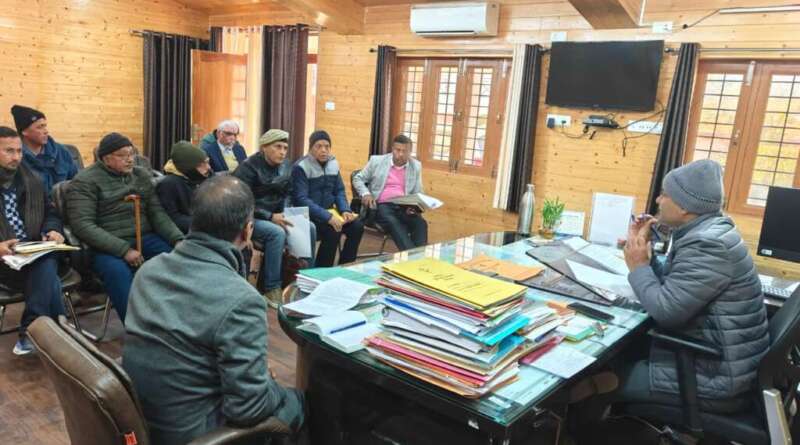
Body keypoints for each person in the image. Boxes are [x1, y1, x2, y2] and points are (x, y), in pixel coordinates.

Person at [123, 175, 305, 445]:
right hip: (195, 434)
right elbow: (249, 409)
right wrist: (270, 387)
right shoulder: (242, 300)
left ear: (193, 220)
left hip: (145, 422)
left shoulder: (148, 271)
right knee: (299, 402)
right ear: (248, 231)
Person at [613, 159, 770, 412]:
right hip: (723, 364)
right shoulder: (708, 231)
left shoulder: (707, 244)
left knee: (599, 373)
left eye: (664, 194)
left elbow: (666, 311)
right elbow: (675, 288)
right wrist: (647, 258)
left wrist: (638, 266)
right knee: (621, 352)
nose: (657, 200)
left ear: (685, 206)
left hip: (715, 377)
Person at [66, 132, 183, 322]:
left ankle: (179, 319)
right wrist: (124, 250)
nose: (130, 159)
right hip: (107, 246)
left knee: (177, 260)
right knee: (117, 273)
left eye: (132, 154)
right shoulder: (85, 181)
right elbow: (83, 225)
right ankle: (138, 328)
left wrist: (177, 239)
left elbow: (157, 213)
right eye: (122, 155)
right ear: (106, 159)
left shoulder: (141, 175)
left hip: (144, 237)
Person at [0, 126, 66, 355]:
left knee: (46, 259)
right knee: (48, 271)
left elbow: (51, 213)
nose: (16, 157)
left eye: (19, 151)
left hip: (30, 251)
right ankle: (56, 329)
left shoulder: (31, 180)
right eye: (9, 151)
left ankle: (31, 331)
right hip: (4, 260)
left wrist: (52, 229)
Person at [234, 129, 315, 307]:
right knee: (276, 233)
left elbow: (287, 193)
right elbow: (242, 201)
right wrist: (270, 216)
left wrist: (286, 213)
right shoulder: (248, 167)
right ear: (264, 147)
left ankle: (306, 280)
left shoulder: (286, 166)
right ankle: (272, 289)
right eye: (277, 147)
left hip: (277, 214)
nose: (282, 152)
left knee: (309, 227)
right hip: (249, 217)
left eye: (285, 148)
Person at [292, 130, 363, 267]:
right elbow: (301, 199)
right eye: (319, 146)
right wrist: (327, 217)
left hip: (331, 212)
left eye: (327, 146)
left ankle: (345, 266)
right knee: (333, 230)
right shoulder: (301, 167)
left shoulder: (333, 163)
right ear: (311, 148)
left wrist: (345, 210)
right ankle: (322, 270)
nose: (323, 150)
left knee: (357, 226)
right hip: (310, 215)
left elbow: (339, 191)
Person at [352, 134, 427, 251]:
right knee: (394, 223)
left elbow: (418, 191)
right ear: (392, 149)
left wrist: (414, 206)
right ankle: (414, 257)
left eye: (404, 151)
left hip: (403, 206)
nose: (400, 154)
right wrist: (366, 193)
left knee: (420, 223)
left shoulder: (415, 166)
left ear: (410, 152)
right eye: (398, 150)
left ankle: (417, 256)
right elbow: (358, 179)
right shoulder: (377, 161)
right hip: (382, 206)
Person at [11, 105, 78, 192]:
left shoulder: (61, 151)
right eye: (39, 127)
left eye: (45, 126)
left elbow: (77, 183)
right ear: (24, 131)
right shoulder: (16, 157)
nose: (46, 131)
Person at [156, 141, 212, 234]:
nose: (208, 167)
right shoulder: (168, 184)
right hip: (190, 232)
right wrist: (204, 224)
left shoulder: (203, 176)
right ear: (188, 167)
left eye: (207, 162)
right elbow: (172, 218)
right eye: (202, 164)